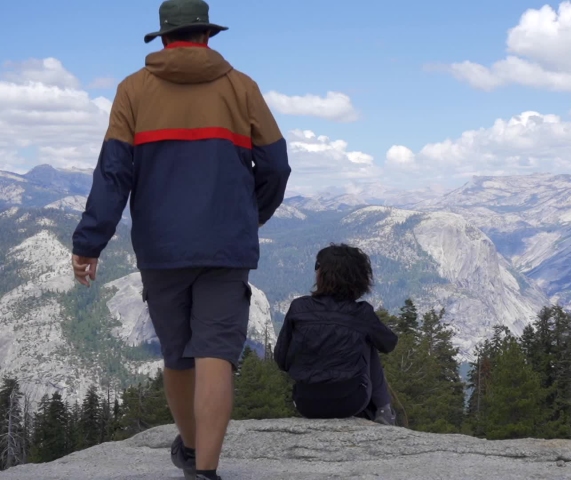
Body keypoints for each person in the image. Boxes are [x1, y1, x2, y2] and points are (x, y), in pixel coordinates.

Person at [69, 0, 291, 478]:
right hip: (226, 245)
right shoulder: (241, 87)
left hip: (161, 247)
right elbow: (276, 166)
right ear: (207, 37)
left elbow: (113, 175)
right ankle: (206, 471)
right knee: (216, 353)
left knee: (178, 354)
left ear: (165, 38)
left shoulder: (133, 90)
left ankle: (189, 450)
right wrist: (251, 215)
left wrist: (89, 243)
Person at [274, 244, 398, 425]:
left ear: (321, 274)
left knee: (362, 336)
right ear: (359, 278)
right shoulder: (361, 314)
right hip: (351, 402)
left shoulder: (299, 308)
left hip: (306, 402)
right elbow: (389, 344)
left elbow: (281, 359)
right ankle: (384, 411)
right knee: (368, 341)